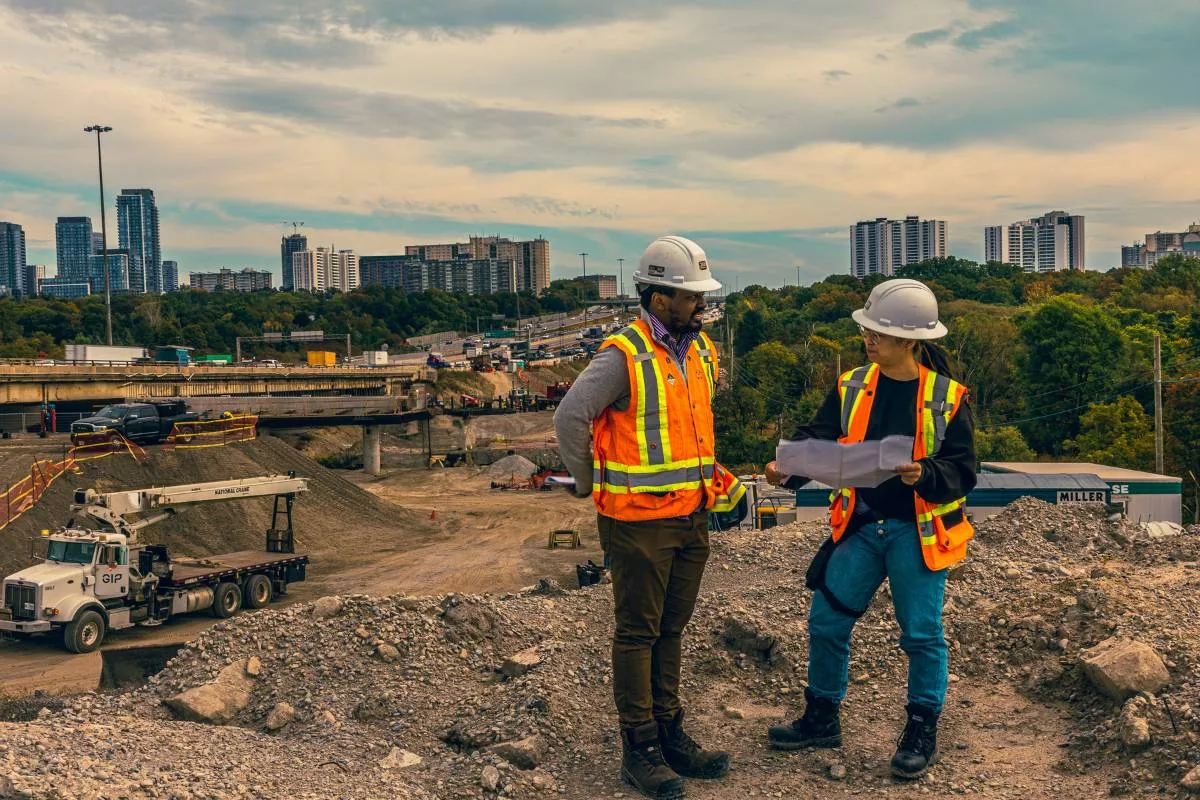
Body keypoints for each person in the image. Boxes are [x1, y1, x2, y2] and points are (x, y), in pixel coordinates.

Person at [554, 235, 745, 800]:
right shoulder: (624, 354)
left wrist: (717, 483)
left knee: (671, 628)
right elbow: (571, 419)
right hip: (638, 521)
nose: (701, 306)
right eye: (690, 298)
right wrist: (589, 484)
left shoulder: (698, 350)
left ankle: (669, 734)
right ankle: (639, 751)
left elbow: (686, 435)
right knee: (638, 633)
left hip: (690, 516)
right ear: (660, 300)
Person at [763, 278, 976, 780]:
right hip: (860, 525)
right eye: (868, 330)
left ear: (909, 340)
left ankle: (921, 729)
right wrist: (787, 469)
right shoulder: (853, 385)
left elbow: (963, 469)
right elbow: (817, 439)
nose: (868, 339)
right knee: (827, 622)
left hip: (916, 531)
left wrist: (924, 473)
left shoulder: (947, 397)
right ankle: (821, 719)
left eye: (878, 331)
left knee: (922, 635)